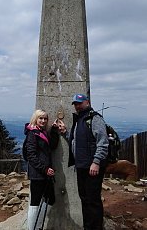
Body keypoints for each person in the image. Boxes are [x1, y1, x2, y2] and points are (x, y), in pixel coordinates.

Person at [59, 94, 109, 230]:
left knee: (93, 201)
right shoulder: (80, 119)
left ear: (87, 102)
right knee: (85, 199)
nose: (77, 106)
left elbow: (103, 143)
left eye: (80, 103)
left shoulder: (94, 118)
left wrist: (96, 162)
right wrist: (65, 132)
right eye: (75, 103)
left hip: (92, 167)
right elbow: (77, 141)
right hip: (81, 166)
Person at [25, 109, 59, 230]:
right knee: (35, 202)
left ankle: (38, 226)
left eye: (45, 118)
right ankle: (32, 228)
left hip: (44, 173)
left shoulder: (42, 132)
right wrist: (44, 169)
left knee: (50, 199)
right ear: (35, 119)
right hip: (38, 174)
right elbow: (31, 156)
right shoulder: (32, 134)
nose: (43, 120)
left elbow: (53, 146)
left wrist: (54, 130)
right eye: (41, 118)